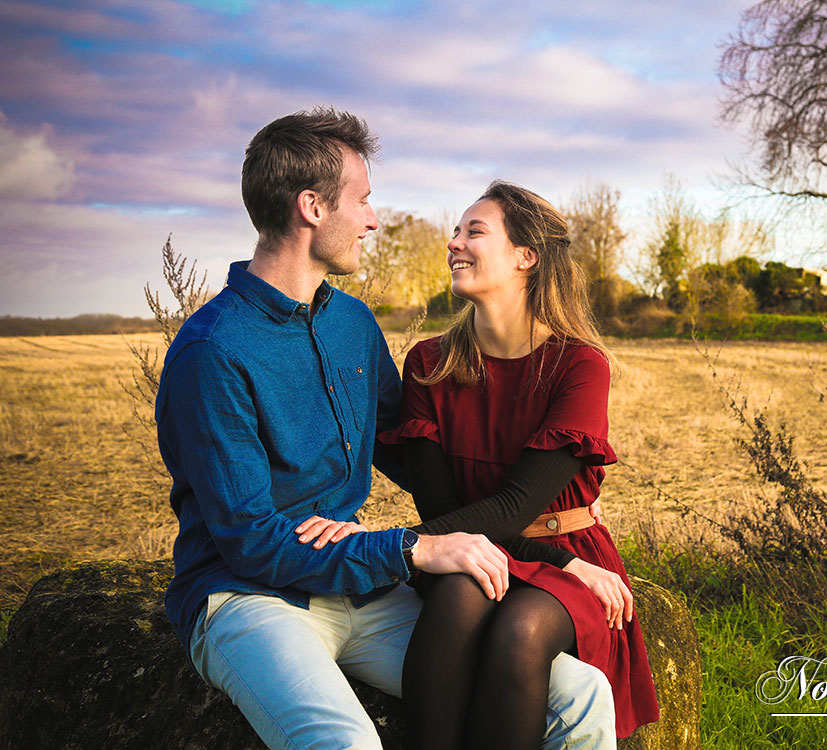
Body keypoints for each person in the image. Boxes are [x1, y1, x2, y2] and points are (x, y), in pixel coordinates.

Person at [156, 107, 616, 750]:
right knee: (349, 744)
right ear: (312, 207)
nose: (373, 218)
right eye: (363, 200)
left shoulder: (352, 325)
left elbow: (429, 469)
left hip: (358, 590)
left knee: (580, 696)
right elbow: (251, 544)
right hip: (250, 598)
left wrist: (561, 554)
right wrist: (407, 549)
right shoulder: (213, 352)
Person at [374, 181, 661, 748]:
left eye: (473, 231)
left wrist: (382, 550)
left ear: (526, 256)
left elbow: (513, 509)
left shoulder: (579, 366)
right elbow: (444, 514)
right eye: (455, 231)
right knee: (458, 591)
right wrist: (418, 547)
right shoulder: (430, 363)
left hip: (570, 561)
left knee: (520, 631)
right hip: (475, 543)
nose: (454, 243)